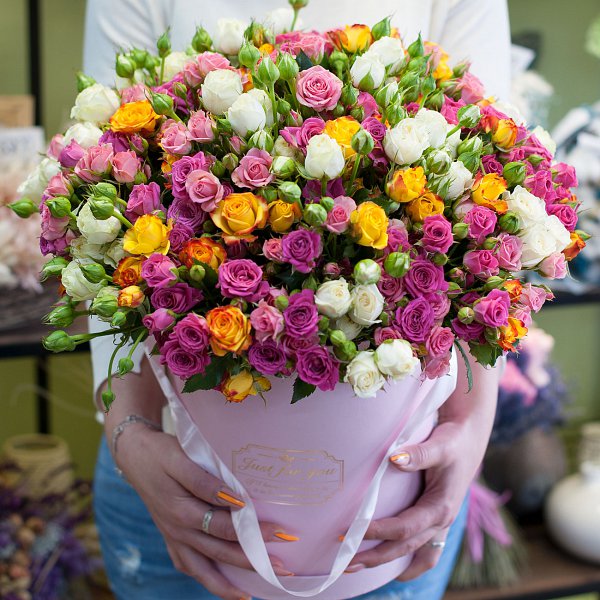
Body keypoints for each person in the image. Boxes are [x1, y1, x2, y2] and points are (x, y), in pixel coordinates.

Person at [83, 1, 510, 598]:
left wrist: (472, 429)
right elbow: (100, 208)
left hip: (392, 493)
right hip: (168, 475)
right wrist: (128, 431)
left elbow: (497, 193)